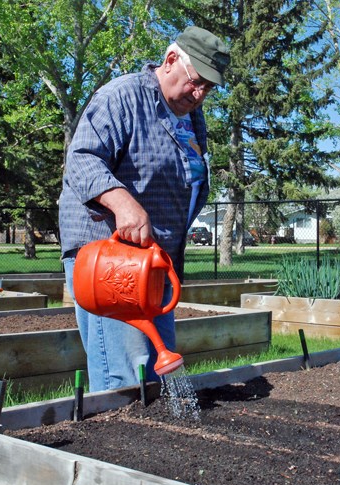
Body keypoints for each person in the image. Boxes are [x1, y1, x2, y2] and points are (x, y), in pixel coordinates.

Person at [58, 26, 230, 392]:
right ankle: (110, 449)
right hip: (110, 260)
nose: (199, 94)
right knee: (125, 376)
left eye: (208, 88)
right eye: (196, 81)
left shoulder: (191, 117)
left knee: (154, 371)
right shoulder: (123, 97)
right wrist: (121, 202)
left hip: (154, 262)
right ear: (171, 61)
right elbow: (82, 159)